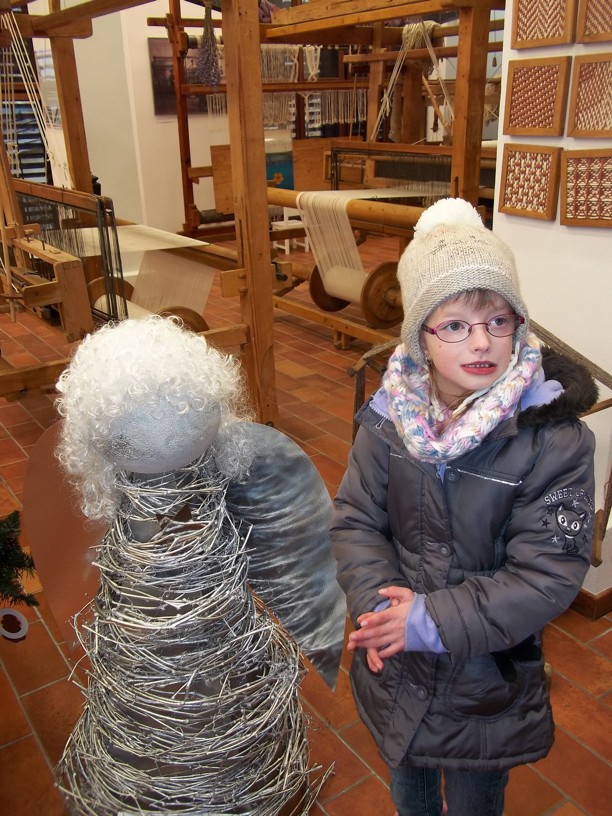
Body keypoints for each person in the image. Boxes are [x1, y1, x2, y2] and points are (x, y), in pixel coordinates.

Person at [330, 198, 598, 816]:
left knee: (476, 799)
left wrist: (429, 620)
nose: (481, 342)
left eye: (498, 321)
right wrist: (381, 609)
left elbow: (547, 573)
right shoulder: (390, 418)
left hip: (485, 679)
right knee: (411, 793)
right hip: (396, 665)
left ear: (518, 326)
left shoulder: (553, 439)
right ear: (420, 337)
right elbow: (356, 520)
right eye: (454, 325)